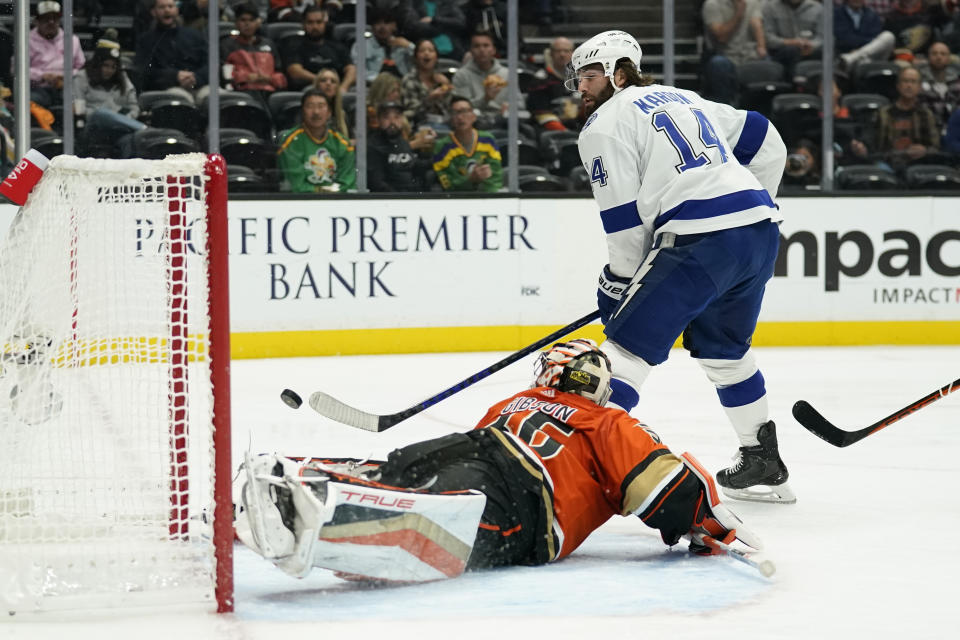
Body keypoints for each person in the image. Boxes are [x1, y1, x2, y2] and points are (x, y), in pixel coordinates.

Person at [236, 339, 765, 582]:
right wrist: (708, 521)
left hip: (472, 448)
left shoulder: (510, 403)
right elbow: (663, 487)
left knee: (398, 470)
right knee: (445, 509)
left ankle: (288, 479)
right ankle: (323, 524)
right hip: (524, 499)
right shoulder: (609, 421)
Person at [567, 30, 793, 503]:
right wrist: (751, 204)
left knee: (626, 353)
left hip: (700, 240)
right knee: (724, 352)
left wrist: (620, 286)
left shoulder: (603, 125)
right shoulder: (682, 97)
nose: (581, 88)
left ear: (618, 73)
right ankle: (762, 459)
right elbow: (767, 142)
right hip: (758, 232)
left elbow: (624, 221)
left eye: (589, 76)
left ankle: (580, 475)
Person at [277, 88, 356, 193]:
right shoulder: (290, 142)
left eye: (321, 106)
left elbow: (348, 183)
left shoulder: (343, 144)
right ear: (303, 111)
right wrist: (323, 191)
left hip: (336, 203)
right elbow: (296, 186)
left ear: (329, 112)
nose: (316, 112)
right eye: (310, 106)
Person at [74, 45, 146, 158]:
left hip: (117, 128)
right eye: (106, 66)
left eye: (114, 67)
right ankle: (144, 129)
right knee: (101, 113)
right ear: (98, 64)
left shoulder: (122, 77)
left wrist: (126, 117)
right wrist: (108, 116)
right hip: (92, 127)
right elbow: (79, 109)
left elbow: (134, 107)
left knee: (130, 140)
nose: (110, 70)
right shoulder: (82, 77)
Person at [133, 0, 209, 100]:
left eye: (170, 6)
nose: (167, 10)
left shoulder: (194, 35)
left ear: (177, 10)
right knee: (180, 99)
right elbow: (145, 71)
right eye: (162, 7)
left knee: (217, 98)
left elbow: (210, 63)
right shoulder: (146, 41)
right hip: (168, 89)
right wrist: (175, 76)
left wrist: (196, 77)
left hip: (199, 85)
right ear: (153, 12)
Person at [872, 65, 941, 168]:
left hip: (919, 165)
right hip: (888, 165)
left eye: (913, 82)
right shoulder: (882, 114)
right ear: (898, 86)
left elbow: (936, 147)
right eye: (905, 81)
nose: (909, 85)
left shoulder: (926, 114)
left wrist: (925, 151)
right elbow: (873, 148)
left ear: (919, 87)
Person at [701, 0, 767, 107]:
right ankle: (725, 107)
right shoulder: (712, 4)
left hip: (750, 56)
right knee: (718, 63)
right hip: (726, 56)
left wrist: (761, 47)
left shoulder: (753, 3)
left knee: (770, 65)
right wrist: (739, 13)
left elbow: (757, 24)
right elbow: (722, 37)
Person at [452, 30, 523, 126]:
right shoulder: (461, 75)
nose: (482, 50)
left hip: (503, 120)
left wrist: (510, 106)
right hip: (474, 122)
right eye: (477, 46)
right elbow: (461, 108)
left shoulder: (508, 74)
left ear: (493, 50)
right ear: (471, 51)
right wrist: (485, 99)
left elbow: (521, 104)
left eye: (486, 46)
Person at [432, 95, 502, 192]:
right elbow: (448, 183)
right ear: (450, 119)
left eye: (465, 111)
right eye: (455, 113)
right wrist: (470, 180)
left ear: (473, 116)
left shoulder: (488, 139)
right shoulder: (442, 146)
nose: (460, 117)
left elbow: (496, 174)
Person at [220, 2, 287, 101]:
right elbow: (224, 75)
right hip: (242, 92)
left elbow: (280, 75)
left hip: (269, 92)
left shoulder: (269, 44)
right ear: (236, 23)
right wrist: (246, 77)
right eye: (243, 20)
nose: (247, 24)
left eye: (251, 20)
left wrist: (269, 78)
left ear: (258, 22)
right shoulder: (226, 45)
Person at [281, 6, 356, 92]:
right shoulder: (294, 45)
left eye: (319, 22)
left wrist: (344, 87)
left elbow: (351, 69)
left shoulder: (336, 46)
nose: (315, 26)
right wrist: (323, 82)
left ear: (325, 23)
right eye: (310, 22)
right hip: (309, 90)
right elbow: (295, 71)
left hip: (336, 89)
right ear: (303, 24)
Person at [28, 1, 86, 108]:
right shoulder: (26, 40)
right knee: (31, 100)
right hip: (37, 87)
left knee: (78, 100)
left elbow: (81, 68)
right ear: (37, 21)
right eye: (46, 19)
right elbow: (16, 70)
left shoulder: (72, 40)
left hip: (66, 86)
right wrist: (42, 76)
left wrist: (65, 76)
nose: (51, 22)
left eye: (54, 18)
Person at [367, 101, 427, 192]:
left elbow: (415, 170)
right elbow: (377, 183)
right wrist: (400, 198)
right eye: (386, 117)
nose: (392, 122)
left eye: (397, 117)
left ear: (402, 120)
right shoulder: (372, 146)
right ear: (378, 120)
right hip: (387, 200)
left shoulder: (403, 142)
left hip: (411, 197)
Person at [526, 36, 578, 132]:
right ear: (551, 54)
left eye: (566, 51)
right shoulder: (540, 79)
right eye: (558, 51)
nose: (562, 54)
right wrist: (567, 133)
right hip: (549, 130)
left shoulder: (582, 78)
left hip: (578, 127)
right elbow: (541, 114)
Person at [400, 38, 454, 131]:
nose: (426, 53)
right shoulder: (409, 80)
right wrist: (429, 100)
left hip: (445, 124)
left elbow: (451, 108)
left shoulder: (442, 80)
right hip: (419, 126)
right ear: (416, 57)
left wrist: (447, 85)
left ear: (436, 57)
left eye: (431, 50)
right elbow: (410, 113)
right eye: (422, 51)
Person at [351, 7, 415, 84]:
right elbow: (359, 72)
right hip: (375, 86)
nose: (382, 27)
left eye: (387, 22)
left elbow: (422, 65)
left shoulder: (403, 45)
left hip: (403, 85)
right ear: (372, 26)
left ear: (394, 26)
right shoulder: (362, 45)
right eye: (377, 23)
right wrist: (383, 82)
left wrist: (409, 46)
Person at [762, 0, 823, 76]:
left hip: (810, 49)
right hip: (780, 51)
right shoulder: (770, 7)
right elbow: (768, 38)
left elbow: (822, 37)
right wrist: (790, 42)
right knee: (792, 51)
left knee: (824, 53)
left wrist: (811, 45)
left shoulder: (817, 8)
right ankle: (793, 85)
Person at [835, 0, 896, 73]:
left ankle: (851, 58)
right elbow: (844, 38)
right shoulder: (837, 14)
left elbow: (875, 38)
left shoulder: (872, 14)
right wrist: (864, 43)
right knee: (863, 62)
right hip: (846, 52)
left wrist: (859, 51)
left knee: (888, 36)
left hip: (863, 55)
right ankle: (855, 58)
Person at [917, 41, 960, 134]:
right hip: (928, 132)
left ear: (949, 58)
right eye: (934, 53)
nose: (939, 57)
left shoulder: (957, 84)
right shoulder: (918, 82)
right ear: (928, 57)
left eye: (943, 54)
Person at [311, 68, 350, 138]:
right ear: (317, 85)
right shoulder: (307, 113)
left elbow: (349, 140)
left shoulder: (342, 115)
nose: (328, 83)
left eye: (333, 81)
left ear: (337, 88)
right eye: (323, 80)